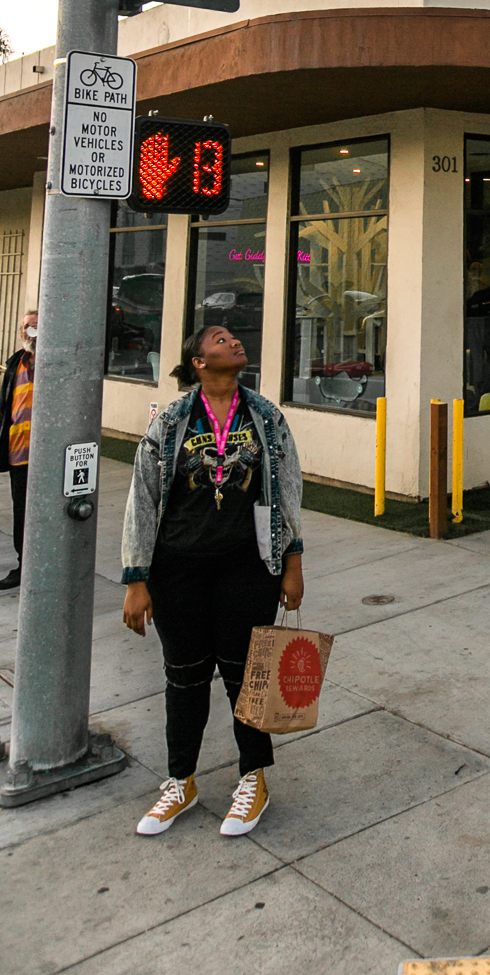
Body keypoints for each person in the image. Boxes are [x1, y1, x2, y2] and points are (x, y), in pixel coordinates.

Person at [121, 324, 305, 838]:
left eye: (235, 339)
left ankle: (254, 778)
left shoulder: (266, 417)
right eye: (220, 340)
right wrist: (137, 578)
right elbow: (144, 497)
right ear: (198, 361)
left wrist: (292, 561)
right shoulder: (172, 420)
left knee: (249, 677)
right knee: (184, 676)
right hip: (177, 569)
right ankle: (180, 781)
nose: (235, 342)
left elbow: (289, 490)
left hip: (248, 568)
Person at [0, 310, 38, 591]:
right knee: (21, 512)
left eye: (34, 327)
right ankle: (24, 566)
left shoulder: (52, 363)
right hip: (18, 452)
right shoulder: (14, 364)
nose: (29, 332)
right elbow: (3, 409)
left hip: (45, 456)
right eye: (26, 328)